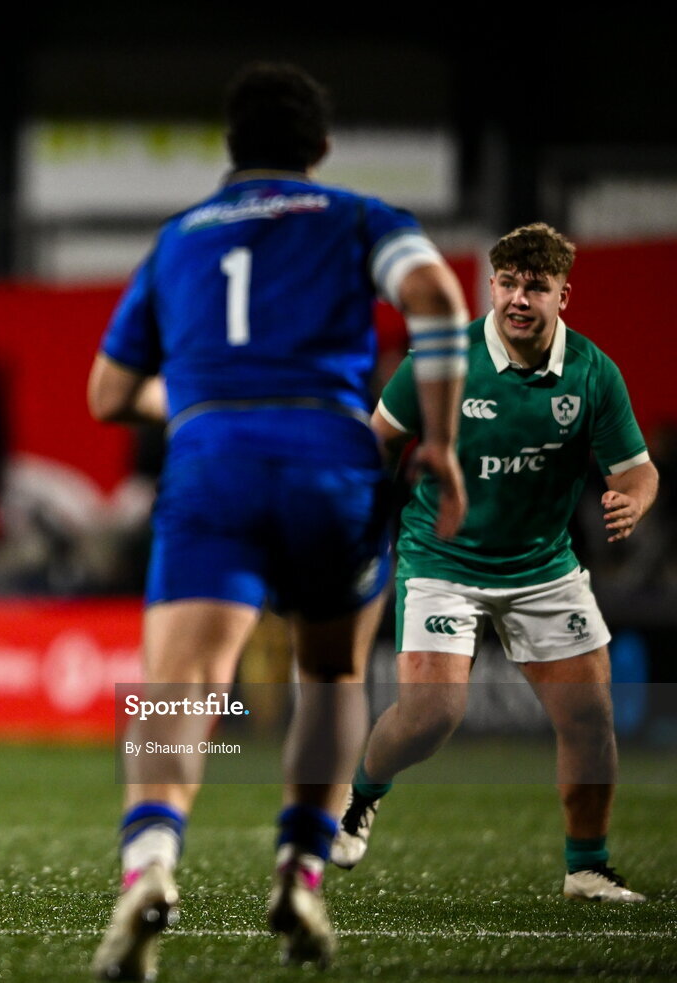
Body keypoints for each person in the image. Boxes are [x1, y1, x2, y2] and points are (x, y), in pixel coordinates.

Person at [86, 62, 470, 979]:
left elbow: (105, 391)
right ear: (321, 149)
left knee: (178, 683)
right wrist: (443, 446)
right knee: (332, 672)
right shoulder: (360, 216)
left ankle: (149, 863)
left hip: (214, 461)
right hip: (332, 460)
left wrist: (209, 397)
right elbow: (438, 301)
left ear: (231, 148)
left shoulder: (179, 239)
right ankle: (300, 871)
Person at [332, 222, 659, 904]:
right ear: (490, 285)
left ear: (563, 294)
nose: (518, 298)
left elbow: (639, 469)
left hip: (543, 565)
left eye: (535, 287)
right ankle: (359, 795)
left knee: (591, 717)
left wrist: (631, 498)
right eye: (507, 283)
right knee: (432, 715)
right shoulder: (441, 358)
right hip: (442, 556)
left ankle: (588, 867)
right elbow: (379, 441)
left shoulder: (593, 374)